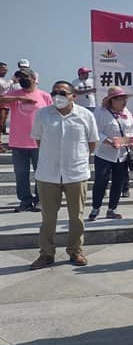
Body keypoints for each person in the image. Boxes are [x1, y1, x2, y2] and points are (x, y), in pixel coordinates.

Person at [29, 81, 99, 269]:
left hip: (76, 174)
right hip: (47, 175)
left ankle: (75, 251)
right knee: (48, 218)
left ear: (73, 96)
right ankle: (46, 254)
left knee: (76, 217)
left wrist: (77, 158)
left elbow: (92, 143)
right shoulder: (42, 114)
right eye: (54, 92)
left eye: (62, 92)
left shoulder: (85, 115)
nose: (57, 96)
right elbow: (38, 140)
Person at [0, 68, 52, 212]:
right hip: (18, 143)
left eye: (26, 77)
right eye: (20, 77)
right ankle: (25, 201)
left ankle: (40, 200)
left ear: (34, 79)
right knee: (21, 174)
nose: (23, 80)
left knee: (41, 173)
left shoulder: (44, 96)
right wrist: (20, 98)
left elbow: (52, 115)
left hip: (39, 142)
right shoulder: (13, 95)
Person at [88, 87, 133, 221]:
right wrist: (109, 141)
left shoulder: (127, 113)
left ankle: (112, 209)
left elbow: (132, 131)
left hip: (122, 155)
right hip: (104, 154)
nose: (124, 102)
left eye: (125, 99)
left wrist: (129, 140)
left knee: (118, 182)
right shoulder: (100, 112)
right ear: (112, 100)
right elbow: (95, 131)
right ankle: (95, 208)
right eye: (121, 99)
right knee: (100, 181)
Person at [0, 62, 13, 151]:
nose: (6, 71)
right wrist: (12, 81)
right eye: (4, 69)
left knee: (2, 124)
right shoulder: (3, 81)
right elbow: (3, 87)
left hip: (4, 104)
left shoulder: (3, 79)